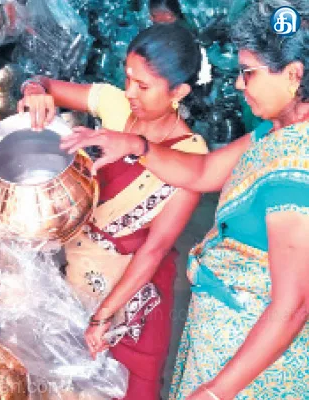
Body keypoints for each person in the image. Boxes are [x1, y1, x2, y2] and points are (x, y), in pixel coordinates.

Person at [63, 1, 309, 398]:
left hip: (255, 375)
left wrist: (214, 392)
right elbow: (202, 172)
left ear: (294, 75)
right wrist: (135, 142)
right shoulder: (272, 133)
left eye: (249, 73)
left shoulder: (297, 171)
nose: (240, 84)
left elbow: (292, 307)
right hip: (217, 347)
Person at [19, 22, 211, 399]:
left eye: (143, 86)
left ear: (179, 92)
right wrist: (34, 90)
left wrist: (102, 316)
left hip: (136, 303)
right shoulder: (114, 105)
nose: (129, 93)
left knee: (129, 388)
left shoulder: (190, 155)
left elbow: (154, 250)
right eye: (128, 79)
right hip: (77, 275)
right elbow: (43, 83)